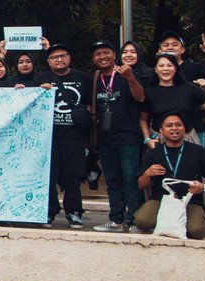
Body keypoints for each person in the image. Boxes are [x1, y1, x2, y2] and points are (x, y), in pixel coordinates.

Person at [87, 41, 146, 232]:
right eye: (98, 54)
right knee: (112, 180)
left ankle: (134, 219)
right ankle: (116, 219)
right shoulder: (95, 78)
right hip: (105, 138)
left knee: (130, 178)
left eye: (106, 53)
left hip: (128, 136)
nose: (102, 57)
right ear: (94, 58)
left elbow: (141, 97)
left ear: (114, 55)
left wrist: (130, 78)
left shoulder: (126, 74)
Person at [132, 113, 205, 239]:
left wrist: (203, 187)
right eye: (169, 125)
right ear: (161, 130)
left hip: (190, 199)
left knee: (197, 230)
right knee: (142, 220)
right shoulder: (154, 153)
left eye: (178, 125)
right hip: (161, 199)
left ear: (184, 129)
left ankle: (182, 224)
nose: (174, 128)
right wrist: (147, 174)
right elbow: (141, 185)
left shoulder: (198, 151)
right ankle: (166, 222)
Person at [34, 43, 91, 228]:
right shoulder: (41, 78)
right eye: (55, 57)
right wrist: (40, 91)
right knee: (48, 177)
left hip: (74, 136)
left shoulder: (82, 78)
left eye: (62, 56)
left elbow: (89, 106)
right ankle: (49, 213)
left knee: (73, 177)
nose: (59, 60)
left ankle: (74, 212)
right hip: (49, 137)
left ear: (69, 58)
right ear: (48, 62)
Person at [140, 53, 205, 145]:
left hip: (187, 139)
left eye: (169, 65)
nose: (165, 69)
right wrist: (147, 139)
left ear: (175, 69)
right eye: (161, 66)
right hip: (159, 140)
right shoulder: (149, 91)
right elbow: (143, 119)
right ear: (156, 69)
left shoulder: (189, 88)